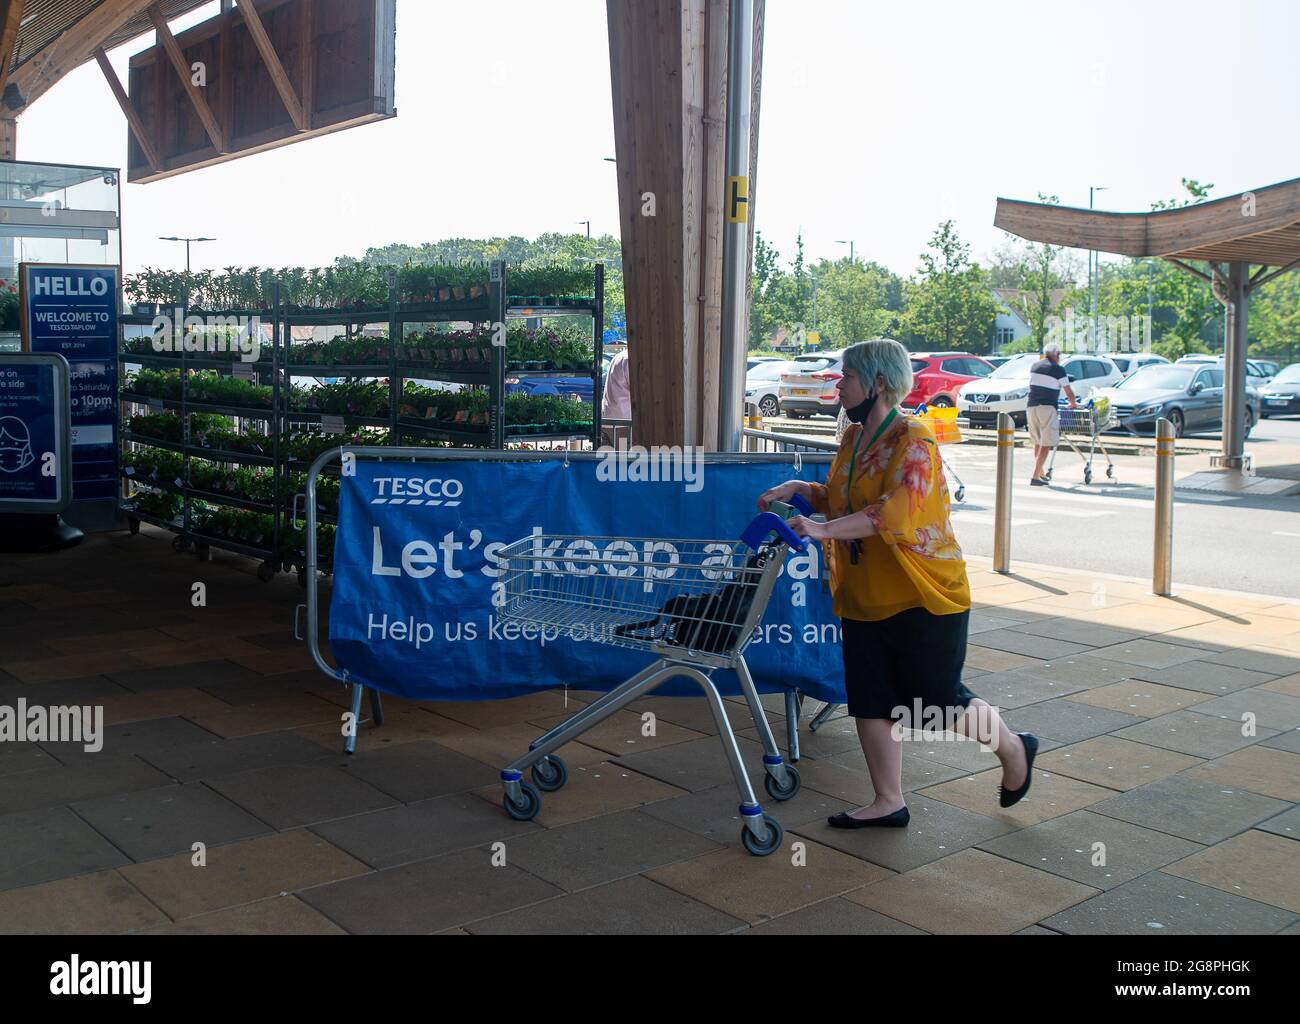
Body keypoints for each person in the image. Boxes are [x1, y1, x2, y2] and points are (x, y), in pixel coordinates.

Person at [758, 339, 1037, 828]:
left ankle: (1014, 750)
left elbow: (899, 509)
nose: (838, 384)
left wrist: (822, 530)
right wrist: (804, 492)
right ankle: (888, 801)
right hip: (865, 594)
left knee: (937, 699)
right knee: (870, 695)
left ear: (878, 383)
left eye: (846, 376)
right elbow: (845, 497)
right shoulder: (852, 437)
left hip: (922, 592)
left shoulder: (915, 438)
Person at [1027, 342, 1077, 486]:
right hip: (1047, 407)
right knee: (1046, 443)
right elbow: (1069, 392)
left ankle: (1040, 473)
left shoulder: (1035, 366)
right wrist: (1073, 404)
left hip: (1031, 407)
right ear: (1057, 355)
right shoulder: (1058, 369)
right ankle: (1035, 476)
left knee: (1037, 441)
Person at [601, 348, 630, 445]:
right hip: (623, 422)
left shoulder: (619, 356)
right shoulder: (629, 359)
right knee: (626, 459)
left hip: (607, 419)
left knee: (609, 459)